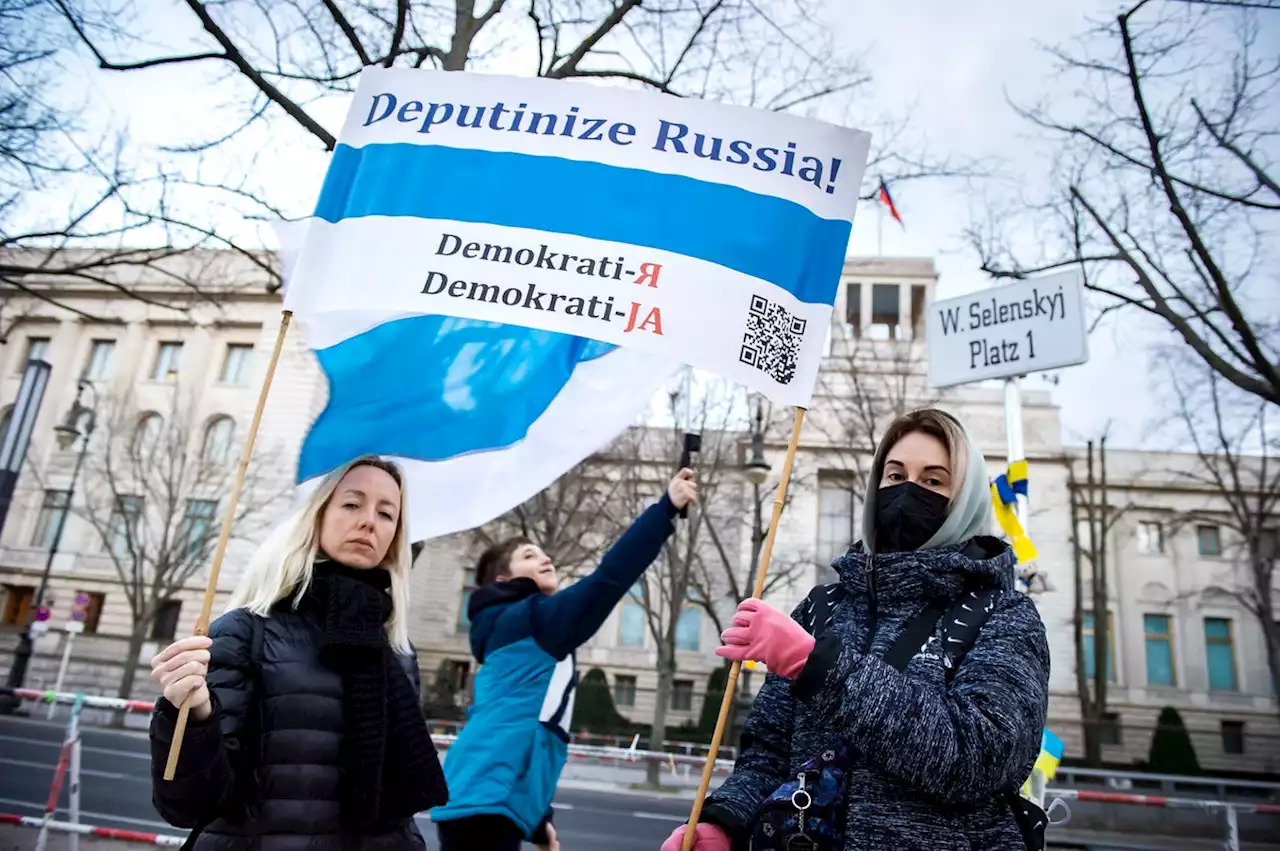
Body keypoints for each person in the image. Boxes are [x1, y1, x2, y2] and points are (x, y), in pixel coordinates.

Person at [662, 409, 1050, 851]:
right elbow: (768, 754)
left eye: (933, 481)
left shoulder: (1004, 615)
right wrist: (725, 821)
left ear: (965, 499)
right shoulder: (823, 608)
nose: (907, 491)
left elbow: (980, 757)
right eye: (895, 474)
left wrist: (819, 668)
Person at [149, 456, 447, 850]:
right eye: (352, 504)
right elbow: (190, 804)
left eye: (386, 513)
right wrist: (191, 716)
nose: (369, 522)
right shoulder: (246, 630)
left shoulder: (396, 650)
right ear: (316, 515)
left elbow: (400, 814)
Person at [433, 467, 699, 851]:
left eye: (543, 552)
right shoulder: (531, 619)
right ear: (503, 582)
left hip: (484, 797)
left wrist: (541, 820)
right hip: (485, 802)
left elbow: (531, 724)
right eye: (529, 555)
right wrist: (665, 509)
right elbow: (609, 579)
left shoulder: (516, 627)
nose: (546, 559)